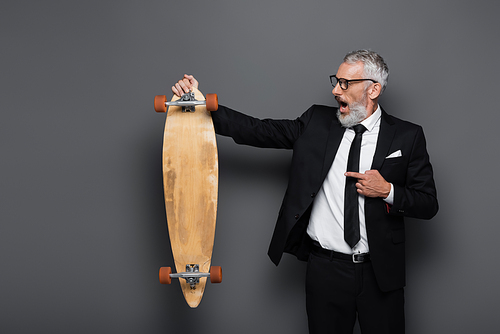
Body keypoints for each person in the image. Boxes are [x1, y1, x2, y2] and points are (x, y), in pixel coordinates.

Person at [171, 50, 438, 334]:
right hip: (325, 270)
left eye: (346, 83)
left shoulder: (408, 136)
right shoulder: (316, 122)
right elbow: (259, 131)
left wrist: (388, 191)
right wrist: (200, 105)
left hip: (380, 272)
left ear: (373, 89)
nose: (335, 90)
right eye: (336, 81)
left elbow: (428, 203)